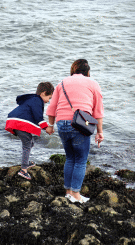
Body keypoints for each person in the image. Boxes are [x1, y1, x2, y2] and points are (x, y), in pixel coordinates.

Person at [46, 59, 104, 204]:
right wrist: (99, 132)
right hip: (80, 124)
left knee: (70, 158)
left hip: (62, 123)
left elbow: (52, 107)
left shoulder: (62, 83)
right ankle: (76, 195)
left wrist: (51, 125)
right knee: (80, 160)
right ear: (88, 72)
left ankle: (68, 192)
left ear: (73, 70)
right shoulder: (93, 83)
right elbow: (98, 111)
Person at [5, 82, 54, 180]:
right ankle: (23, 170)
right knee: (27, 145)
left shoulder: (33, 99)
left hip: (14, 121)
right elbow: (38, 117)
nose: (48, 101)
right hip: (19, 123)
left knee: (30, 141)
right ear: (43, 93)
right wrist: (47, 128)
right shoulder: (37, 101)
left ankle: (26, 162)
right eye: (49, 98)